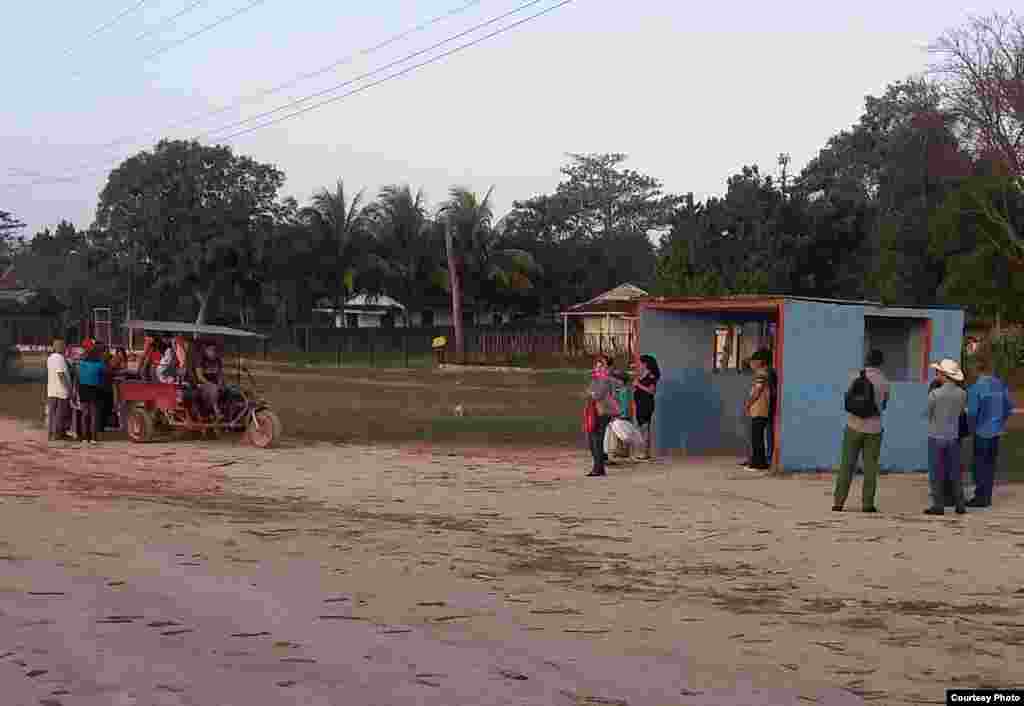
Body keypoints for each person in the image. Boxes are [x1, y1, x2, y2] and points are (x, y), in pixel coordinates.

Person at [833, 349, 890, 513]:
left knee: (846, 465)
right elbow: (884, 405)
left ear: (866, 360)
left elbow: (847, 398)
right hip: (874, 428)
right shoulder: (884, 382)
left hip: (853, 425)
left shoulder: (854, 376)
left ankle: (838, 502)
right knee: (870, 468)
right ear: (881, 363)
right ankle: (867, 504)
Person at [966, 353, 1015, 508]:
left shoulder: (976, 388)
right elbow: (1008, 407)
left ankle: (980, 497)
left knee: (980, 464)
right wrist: (1000, 422)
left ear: (977, 368)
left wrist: (971, 428)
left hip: (981, 431)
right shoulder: (1000, 384)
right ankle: (986, 496)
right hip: (996, 431)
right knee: (990, 465)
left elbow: (973, 413)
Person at [925, 359, 967, 515]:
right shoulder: (962, 394)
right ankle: (960, 504)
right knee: (955, 472)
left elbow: (929, 414)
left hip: (936, 436)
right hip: (953, 436)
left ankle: (938, 505)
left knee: (936, 472)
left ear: (944, 375)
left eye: (939, 373)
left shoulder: (935, 394)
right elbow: (961, 413)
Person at [584, 355, 620, 477]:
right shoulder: (595, 379)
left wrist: (592, 393)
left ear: (605, 368)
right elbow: (589, 392)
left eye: (601, 366)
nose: (598, 369)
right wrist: (591, 393)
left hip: (603, 412)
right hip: (595, 411)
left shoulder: (605, 379)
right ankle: (598, 467)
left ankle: (598, 468)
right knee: (592, 440)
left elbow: (597, 394)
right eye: (597, 366)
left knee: (596, 440)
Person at [743, 352, 772, 470]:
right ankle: (757, 461)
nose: (751, 364)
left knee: (757, 438)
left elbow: (757, 391)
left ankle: (758, 463)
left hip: (759, 410)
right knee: (757, 437)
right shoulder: (763, 373)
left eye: (753, 361)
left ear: (759, 361)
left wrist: (748, 404)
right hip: (759, 410)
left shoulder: (761, 374)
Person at [76, 346, 105, 445]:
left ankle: (84, 438)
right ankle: (93, 438)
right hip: (95, 389)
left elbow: (78, 377)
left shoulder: (81, 364)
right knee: (94, 415)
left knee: (85, 414)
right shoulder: (99, 364)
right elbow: (104, 374)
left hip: (83, 388)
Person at [633, 354, 660, 461]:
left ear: (645, 364)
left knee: (645, 428)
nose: (639, 365)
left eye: (641, 363)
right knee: (643, 428)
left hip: (646, 404)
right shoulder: (644, 375)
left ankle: (645, 453)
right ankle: (644, 452)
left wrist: (638, 385)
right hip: (640, 403)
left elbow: (651, 391)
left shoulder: (651, 376)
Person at [46, 338, 72, 442]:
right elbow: (61, 374)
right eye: (63, 346)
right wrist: (69, 388)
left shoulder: (50, 358)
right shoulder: (60, 358)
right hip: (61, 391)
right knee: (60, 414)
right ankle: (58, 434)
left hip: (52, 390)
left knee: (53, 414)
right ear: (60, 347)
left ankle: (52, 434)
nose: (65, 348)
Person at [196, 342, 224, 419]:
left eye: (214, 350)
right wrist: (210, 384)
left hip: (215, 384)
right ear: (206, 350)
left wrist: (220, 383)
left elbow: (220, 374)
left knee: (230, 389)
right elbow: (199, 377)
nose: (213, 352)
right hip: (202, 384)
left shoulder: (218, 360)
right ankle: (216, 410)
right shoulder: (201, 360)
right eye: (211, 350)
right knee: (213, 389)